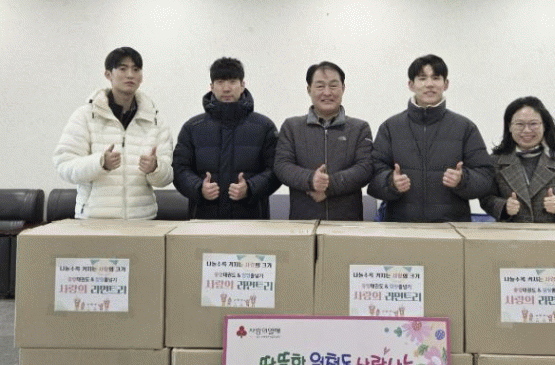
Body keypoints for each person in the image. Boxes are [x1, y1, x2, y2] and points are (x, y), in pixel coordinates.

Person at [368, 54, 493, 222]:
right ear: (411, 85)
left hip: (451, 227)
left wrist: (463, 180)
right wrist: (391, 182)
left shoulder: (465, 127)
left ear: (446, 84)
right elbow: (372, 176)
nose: (429, 84)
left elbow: (486, 177)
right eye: (422, 78)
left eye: (436, 78)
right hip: (401, 227)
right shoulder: (390, 127)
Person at [53, 47, 173, 219]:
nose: (130, 75)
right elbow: (64, 165)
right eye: (123, 69)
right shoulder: (86, 115)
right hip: (94, 220)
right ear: (108, 74)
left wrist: (155, 168)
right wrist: (100, 163)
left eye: (136, 69)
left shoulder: (155, 120)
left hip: (142, 220)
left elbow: (167, 177)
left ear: (141, 77)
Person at [173, 57, 280, 219]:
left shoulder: (264, 127)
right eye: (220, 82)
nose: (226, 88)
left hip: (251, 221)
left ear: (242, 85)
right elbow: (179, 169)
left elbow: (276, 170)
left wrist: (250, 188)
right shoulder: (192, 127)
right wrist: (199, 188)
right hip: (204, 221)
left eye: (232, 82)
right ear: (211, 87)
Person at [274, 61, 373, 220]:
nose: (327, 92)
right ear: (309, 89)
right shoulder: (292, 127)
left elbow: (365, 168)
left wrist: (329, 185)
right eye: (320, 86)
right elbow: (282, 166)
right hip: (302, 221)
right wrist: (310, 180)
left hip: (347, 222)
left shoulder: (359, 128)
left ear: (343, 88)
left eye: (333, 86)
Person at [479, 96, 555, 224]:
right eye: (519, 124)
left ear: (544, 125)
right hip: (511, 234)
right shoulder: (495, 161)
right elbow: (486, 198)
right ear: (509, 126)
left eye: (533, 124)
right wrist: (504, 207)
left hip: (554, 235)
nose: (527, 130)